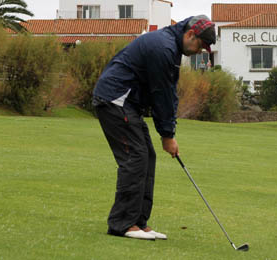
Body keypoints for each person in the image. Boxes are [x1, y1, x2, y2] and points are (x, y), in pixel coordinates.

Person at [92, 15, 216, 240]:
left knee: (147, 156)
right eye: (200, 45)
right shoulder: (163, 48)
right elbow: (162, 96)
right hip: (115, 99)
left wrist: (170, 130)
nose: (200, 51)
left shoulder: (171, 47)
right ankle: (123, 224)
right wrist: (167, 135)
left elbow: (170, 92)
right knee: (135, 157)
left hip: (126, 103)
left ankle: (138, 222)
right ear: (190, 35)